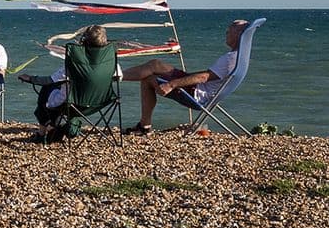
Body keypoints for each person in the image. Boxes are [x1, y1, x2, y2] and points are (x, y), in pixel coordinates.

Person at [120, 19, 249, 135]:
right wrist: (187, 76)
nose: (226, 33)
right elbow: (209, 76)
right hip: (199, 88)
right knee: (156, 64)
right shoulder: (239, 56)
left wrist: (171, 84)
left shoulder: (230, 59)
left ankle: (144, 126)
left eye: (229, 30)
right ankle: (118, 75)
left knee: (148, 79)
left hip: (196, 95)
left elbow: (204, 77)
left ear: (238, 35)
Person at [17, 25, 120, 139]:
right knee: (58, 90)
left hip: (72, 105)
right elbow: (119, 77)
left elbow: (49, 80)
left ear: (83, 41)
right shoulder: (110, 61)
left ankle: (43, 132)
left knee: (47, 89)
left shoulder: (76, 62)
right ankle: (60, 127)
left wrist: (30, 78)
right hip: (101, 102)